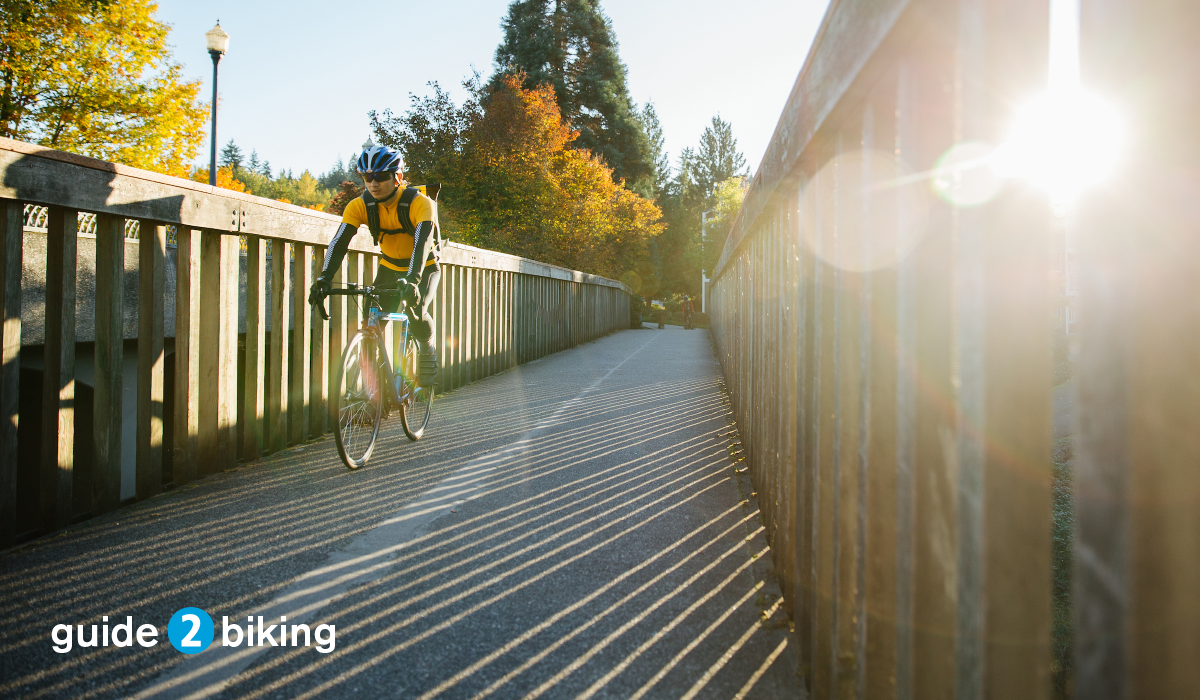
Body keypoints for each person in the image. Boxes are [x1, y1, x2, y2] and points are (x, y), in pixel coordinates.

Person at [307, 144, 440, 387]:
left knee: (417, 308)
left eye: (380, 176)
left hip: (424, 268)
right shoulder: (360, 206)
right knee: (371, 326)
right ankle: (373, 396)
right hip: (389, 268)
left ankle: (426, 347)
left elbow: (422, 244)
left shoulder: (419, 203)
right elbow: (339, 242)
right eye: (367, 177)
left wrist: (413, 280)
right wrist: (324, 278)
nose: (373, 183)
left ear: (397, 177)